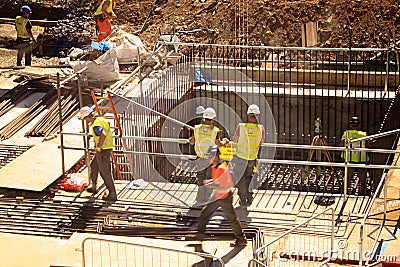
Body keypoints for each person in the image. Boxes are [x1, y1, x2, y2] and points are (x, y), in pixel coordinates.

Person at [187, 145, 247, 247]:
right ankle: (200, 234)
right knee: (205, 213)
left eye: (211, 157)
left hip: (224, 197)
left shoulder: (221, 168)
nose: (209, 159)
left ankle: (241, 239)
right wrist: (212, 182)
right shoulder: (215, 166)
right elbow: (219, 181)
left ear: (216, 156)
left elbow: (224, 184)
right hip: (218, 195)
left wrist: (211, 184)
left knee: (232, 219)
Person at [79, 106, 117, 201]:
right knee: (94, 166)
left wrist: (99, 146)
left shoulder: (96, 125)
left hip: (103, 150)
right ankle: (94, 187)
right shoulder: (100, 119)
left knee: (105, 172)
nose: (85, 121)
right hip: (105, 148)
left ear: (88, 116)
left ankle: (112, 194)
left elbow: (103, 134)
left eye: (85, 119)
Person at [232, 104, 265, 206]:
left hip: (240, 158)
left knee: (240, 179)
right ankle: (249, 195)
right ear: (257, 116)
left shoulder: (241, 127)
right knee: (249, 178)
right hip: (252, 158)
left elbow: (234, 141)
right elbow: (261, 142)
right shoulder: (261, 129)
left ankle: (242, 199)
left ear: (248, 115)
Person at [189, 107, 222, 206]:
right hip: (210, 158)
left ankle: (200, 198)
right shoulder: (215, 130)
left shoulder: (197, 128)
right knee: (209, 178)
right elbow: (218, 144)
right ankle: (207, 199)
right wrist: (224, 142)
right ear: (212, 119)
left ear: (203, 118)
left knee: (200, 178)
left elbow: (191, 141)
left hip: (200, 157)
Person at [340, 116, 370, 195]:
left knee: (348, 175)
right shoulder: (363, 135)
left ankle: (345, 191)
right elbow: (368, 145)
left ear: (351, 125)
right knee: (363, 176)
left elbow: (341, 144)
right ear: (359, 125)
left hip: (349, 158)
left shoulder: (346, 134)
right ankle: (363, 190)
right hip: (361, 158)